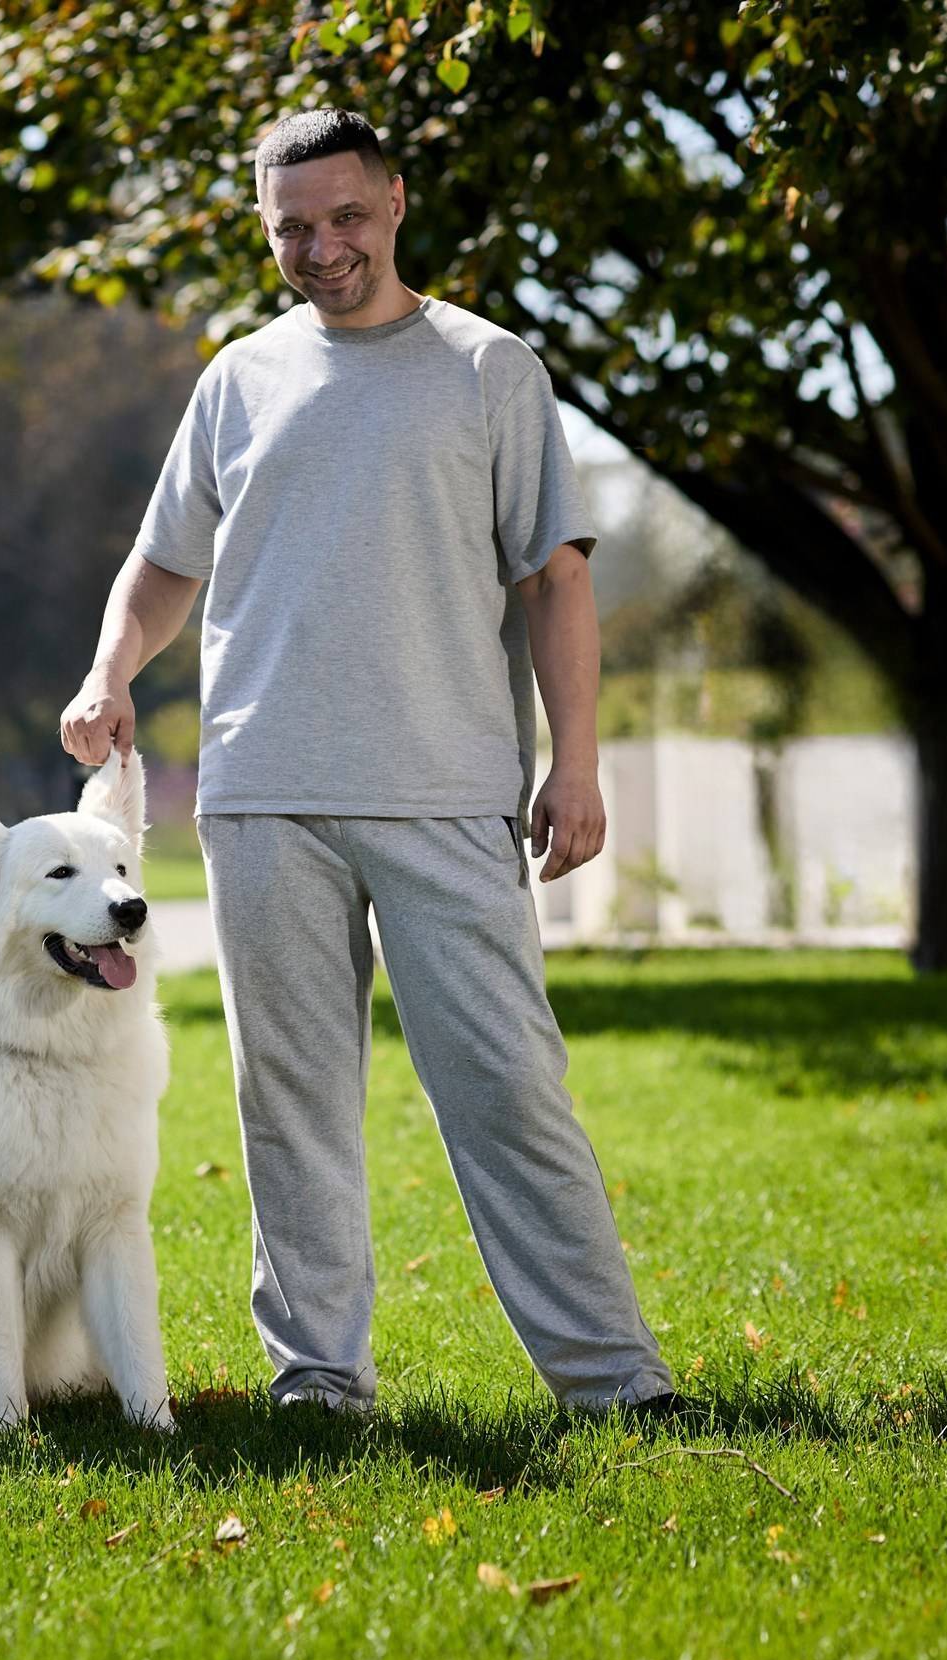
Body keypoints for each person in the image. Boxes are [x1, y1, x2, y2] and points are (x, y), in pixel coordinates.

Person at [60, 111, 677, 1417]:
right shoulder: (238, 378)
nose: (323, 246)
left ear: (395, 203)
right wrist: (109, 672)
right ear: (266, 229)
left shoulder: (488, 367)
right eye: (293, 227)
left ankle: (614, 1380)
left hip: (445, 788)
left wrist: (576, 765)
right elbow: (164, 564)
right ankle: (319, 1376)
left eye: (346, 216)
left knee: (508, 1087)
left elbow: (555, 580)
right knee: (290, 1104)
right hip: (261, 792)